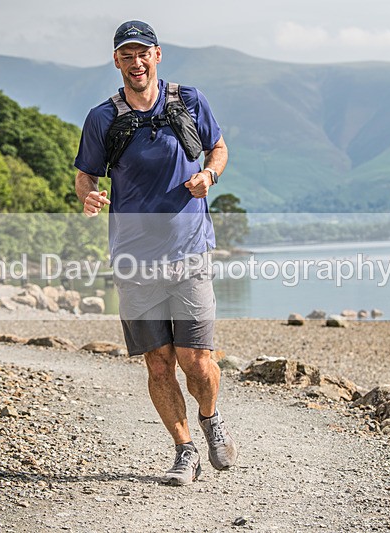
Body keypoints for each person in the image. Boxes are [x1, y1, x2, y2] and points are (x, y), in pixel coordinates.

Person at [74, 20, 237, 486]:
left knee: (196, 359)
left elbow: (218, 148)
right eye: (127, 55)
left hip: (189, 252)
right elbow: (86, 174)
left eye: (143, 53)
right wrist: (87, 195)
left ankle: (210, 418)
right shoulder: (102, 117)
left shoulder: (189, 100)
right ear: (117, 62)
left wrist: (210, 175)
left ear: (158, 55)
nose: (136, 62)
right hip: (134, 258)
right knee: (158, 362)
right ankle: (184, 450)